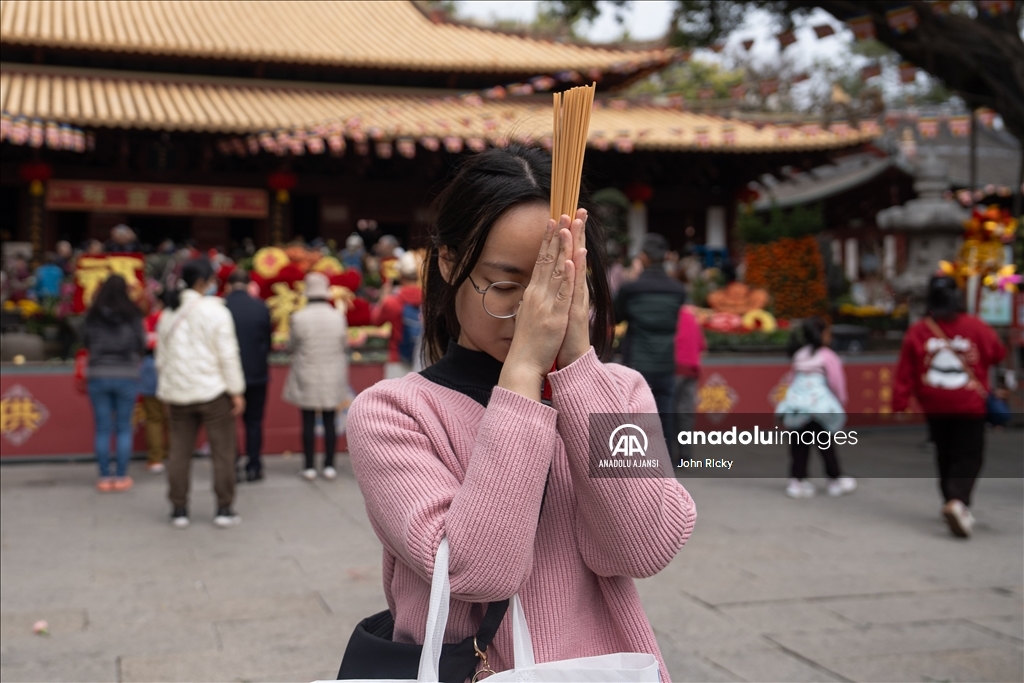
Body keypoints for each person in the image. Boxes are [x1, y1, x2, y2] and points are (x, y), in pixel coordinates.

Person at [346, 146, 695, 680]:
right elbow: (478, 572)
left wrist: (579, 367)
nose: (532, 313)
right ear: (447, 261)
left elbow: (639, 548)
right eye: (508, 287)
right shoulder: (393, 414)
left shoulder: (619, 393)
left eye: (555, 287)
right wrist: (524, 373)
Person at [893, 275, 1006, 538]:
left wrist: (900, 403)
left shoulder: (919, 330)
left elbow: (905, 370)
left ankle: (950, 500)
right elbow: (997, 353)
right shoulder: (975, 326)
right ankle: (958, 500)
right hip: (969, 403)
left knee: (944, 452)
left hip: (934, 402)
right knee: (968, 454)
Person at [156, 259, 246, 529]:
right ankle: (224, 508)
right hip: (213, 392)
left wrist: (166, 391)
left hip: (178, 394)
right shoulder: (216, 311)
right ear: (202, 282)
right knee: (222, 452)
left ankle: (179, 509)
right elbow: (227, 355)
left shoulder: (168, 314)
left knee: (179, 453)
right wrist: (236, 391)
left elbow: (162, 358)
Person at [613, 232, 687, 445]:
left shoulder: (630, 289)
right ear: (665, 257)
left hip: (637, 364)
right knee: (666, 419)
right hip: (666, 364)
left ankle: (639, 472)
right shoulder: (677, 290)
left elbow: (617, 317)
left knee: (637, 421)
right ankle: (669, 469)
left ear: (643, 258)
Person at [775, 317, 857, 498]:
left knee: (798, 445)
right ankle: (834, 479)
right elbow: (836, 383)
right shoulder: (828, 356)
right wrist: (840, 402)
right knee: (825, 443)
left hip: (797, 406)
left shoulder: (799, 354)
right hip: (819, 406)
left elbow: (791, 379)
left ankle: (797, 481)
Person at [283, 272, 349, 481]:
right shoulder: (338, 317)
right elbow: (344, 344)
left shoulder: (298, 317)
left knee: (308, 420)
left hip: (307, 372)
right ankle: (330, 465)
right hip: (332, 373)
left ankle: (309, 466)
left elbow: (291, 346)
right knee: (330, 420)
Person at [82, 275, 146, 492]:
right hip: (126, 374)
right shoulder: (133, 315)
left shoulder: (92, 315)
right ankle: (120, 476)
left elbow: (84, 341)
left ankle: (103, 477)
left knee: (102, 429)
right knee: (123, 428)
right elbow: (141, 343)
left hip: (98, 373)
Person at [224, 269, 272, 482]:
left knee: (227, 423)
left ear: (228, 285)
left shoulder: (221, 307)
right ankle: (254, 465)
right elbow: (267, 343)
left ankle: (231, 465)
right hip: (256, 374)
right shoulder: (260, 307)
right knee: (253, 422)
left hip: (226, 375)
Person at [370, 251, 423, 377]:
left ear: (400, 275)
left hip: (397, 360)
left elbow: (375, 320)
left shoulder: (392, 302)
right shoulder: (429, 300)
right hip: (422, 361)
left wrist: (384, 296)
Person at [139, 291, 168, 473]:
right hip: (174, 368)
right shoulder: (176, 320)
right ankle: (176, 453)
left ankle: (156, 459)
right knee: (176, 417)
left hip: (150, 366)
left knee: (154, 417)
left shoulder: (147, 320)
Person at [673, 304, 705, 459]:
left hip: (673, 369)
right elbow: (701, 345)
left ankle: (669, 454)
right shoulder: (691, 317)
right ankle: (686, 455)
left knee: (669, 411)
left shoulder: (668, 315)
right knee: (685, 412)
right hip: (691, 370)